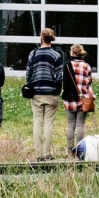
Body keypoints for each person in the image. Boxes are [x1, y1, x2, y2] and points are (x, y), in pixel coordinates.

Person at [24, 28, 76, 160]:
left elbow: (28, 73)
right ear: (51, 39)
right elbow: (59, 75)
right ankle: (47, 153)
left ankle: (37, 154)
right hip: (52, 93)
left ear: (41, 38)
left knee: (37, 122)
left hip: (36, 92)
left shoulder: (33, 54)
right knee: (48, 124)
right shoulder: (56, 55)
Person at [63, 44, 94, 153]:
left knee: (71, 124)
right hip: (83, 99)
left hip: (69, 100)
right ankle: (80, 150)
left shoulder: (66, 65)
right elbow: (89, 82)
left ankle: (70, 149)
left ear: (72, 52)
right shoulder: (86, 66)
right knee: (80, 124)